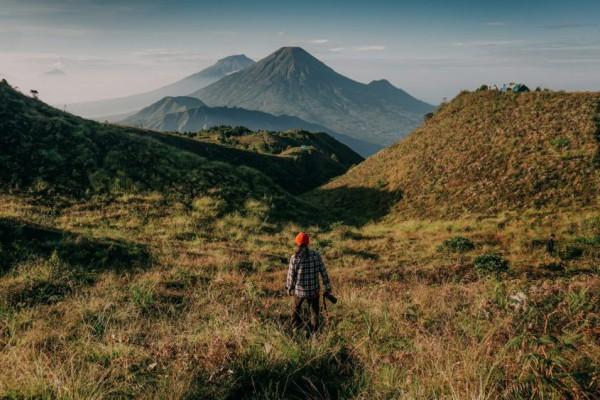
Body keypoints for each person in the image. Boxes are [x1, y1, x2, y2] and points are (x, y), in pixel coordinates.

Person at [286, 232, 332, 335]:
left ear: (297, 243)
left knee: (296, 310)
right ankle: (315, 333)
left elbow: (290, 275)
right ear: (308, 243)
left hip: (299, 292)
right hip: (314, 291)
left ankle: (296, 330)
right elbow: (323, 272)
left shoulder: (294, 258)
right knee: (314, 313)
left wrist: (289, 288)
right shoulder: (316, 255)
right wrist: (327, 286)